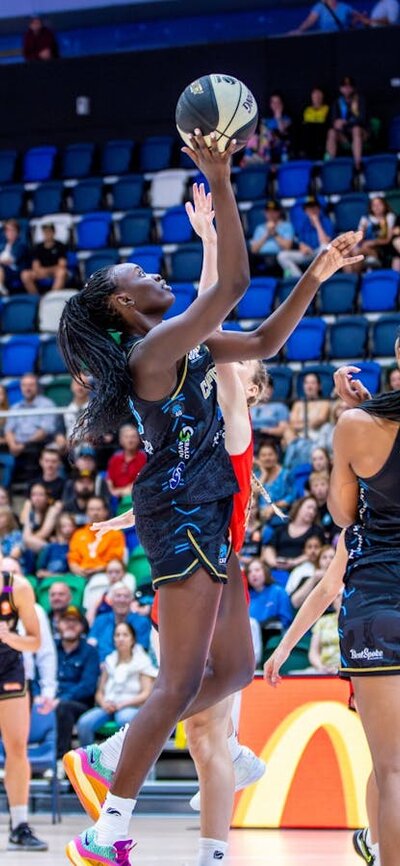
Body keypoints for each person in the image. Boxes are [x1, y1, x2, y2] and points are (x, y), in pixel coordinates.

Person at [57, 129, 363, 864]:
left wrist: (315, 278)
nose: (156, 275)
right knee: (183, 679)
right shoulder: (149, 352)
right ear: (125, 304)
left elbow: (258, 340)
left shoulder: (177, 340)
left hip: (210, 501)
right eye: (143, 273)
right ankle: (108, 829)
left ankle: (111, 756)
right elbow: (223, 290)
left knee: (231, 671)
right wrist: (222, 179)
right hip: (181, 510)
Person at [265, 351, 400, 866]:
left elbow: (344, 515)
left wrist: (360, 425)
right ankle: (373, 841)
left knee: (390, 769)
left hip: (377, 603)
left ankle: (375, 844)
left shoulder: (357, 428)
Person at [0, 569, 47, 850]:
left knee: (17, 747)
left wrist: (8, 637)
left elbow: (35, 641)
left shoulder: (17, 587)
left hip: (8, 667)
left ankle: (19, 825)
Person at [77, 623, 157, 747]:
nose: (121, 638)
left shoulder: (142, 661)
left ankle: (128, 763)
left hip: (131, 706)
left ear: (133, 639)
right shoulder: (109, 660)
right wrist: (104, 703)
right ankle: (89, 762)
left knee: (125, 720)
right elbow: (100, 692)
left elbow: (146, 694)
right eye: (117, 635)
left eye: (125, 635)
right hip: (108, 705)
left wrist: (122, 704)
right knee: (84, 723)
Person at [47, 605, 100, 758]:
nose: (70, 624)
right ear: (58, 625)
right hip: (49, 699)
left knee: (64, 708)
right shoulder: (50, 649)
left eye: (75, 621)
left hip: (79, 704)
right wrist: (39, 695)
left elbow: (88, 686)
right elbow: (38, 676)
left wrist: (60, 699)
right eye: (66, 620)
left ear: (82, 626)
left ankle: (59, 760)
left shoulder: (90, 652)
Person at [4, 374, 57, 486]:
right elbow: (8, 430)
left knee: (33, 449)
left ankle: (31, 489)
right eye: (24, 385)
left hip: (36, 444)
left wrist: (23, 445)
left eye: (31, 385)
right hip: (16, 446)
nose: (27, 388)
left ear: (37, 387)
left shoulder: (47, 404)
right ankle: (4, 492)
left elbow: (44, 431)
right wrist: (13, 445)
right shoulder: (15, 407)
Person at [263, 495, 325, 578]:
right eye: (309, 507)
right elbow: (269, 548)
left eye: (314, 510)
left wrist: (294, 562)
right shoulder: (282, 528)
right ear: (299, 507)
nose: (312, 512)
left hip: (302, 570)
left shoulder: (317, 531)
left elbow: (319, 551)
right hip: (277, 568)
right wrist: (274, 562)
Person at [88, 582, 151, 661]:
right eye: (118, 596)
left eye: (126, 596)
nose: (122, 600)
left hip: (130, 667)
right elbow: (90, 646)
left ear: (131, 601)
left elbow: (142, 651)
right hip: (100, 666)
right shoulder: (100, 620)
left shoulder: (142, 622)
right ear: (111, 600)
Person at [68, 496, 125, 578]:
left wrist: (98, 569)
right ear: (86, 512)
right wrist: (77, 569)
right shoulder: (78, 534)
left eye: (98, 509)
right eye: (91, 509)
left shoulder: (115, 533)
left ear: (106, 512)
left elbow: (115, 558)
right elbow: (73, 557)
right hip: (80, 574)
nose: (95, 513)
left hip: (106, 574)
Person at [278, 197, 334, 277]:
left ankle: (317, 279)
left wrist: (317, 223)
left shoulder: (326, 222)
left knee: (324, 248)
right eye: (309, 208)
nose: (312, 210)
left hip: (319, 254)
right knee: (282, 256)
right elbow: (301, 243)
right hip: (308, 254)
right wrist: (303, 247)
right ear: (305, 211)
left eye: (314, 207)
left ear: (319, 209)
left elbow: (325, 242)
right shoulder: (304, 224)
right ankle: (299, 279)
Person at [326, 76, 368, 171]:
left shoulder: (360, 100)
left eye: (349, 87)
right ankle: (330, 165)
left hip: (361, 133)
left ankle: (358, 166)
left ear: (353, 88)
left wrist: (346, 122)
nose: (347, 89)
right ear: (341, 89)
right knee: (331, 132)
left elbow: (362, 119)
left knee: (356, 129)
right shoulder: (337, 102)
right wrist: (336, 123)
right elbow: (333, 120)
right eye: (344, 87)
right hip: (344, 135)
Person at [106, 425, 146, 514]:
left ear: (139, 439)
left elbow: (143, 481)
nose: (130, 440)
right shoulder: (115, 459)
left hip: (136, 497)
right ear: (121, 440)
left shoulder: (144, 458)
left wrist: (128, 490)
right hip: (117, 497)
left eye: (133, 437)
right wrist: (115, 492)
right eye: (126, 437)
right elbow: (109, 481)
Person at [247, 558, 293, 635]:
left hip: (273, 635)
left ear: (265, 572)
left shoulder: (279, 591)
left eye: (257, 570)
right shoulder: (246, 595)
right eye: (249, 572)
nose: (253, 574)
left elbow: (285, 620)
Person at [84, 558, 136, 626]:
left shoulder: (128, 591)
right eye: (110, 572)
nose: (113, 576)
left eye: (117, 572)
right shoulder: (102, 593)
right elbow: (90, 614)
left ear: (124, 573)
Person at [249, 200, 294, 276]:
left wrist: (274, 233)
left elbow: (287, 247)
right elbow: (254, 250)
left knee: (274, 261)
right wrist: (266, 234)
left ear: (279, 212)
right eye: (268, 211)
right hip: (260, 258)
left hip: (278, 259)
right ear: (265, 213)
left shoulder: (287, 226)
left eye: (274, 211)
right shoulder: (259, 228)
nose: (271, 214)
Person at [21, 224, 67, 294]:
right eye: (45, 232)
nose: (47, 234)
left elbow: (62, 265)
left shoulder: (60, 246)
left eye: (49, 231)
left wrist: (47, 271)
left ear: (54, 232)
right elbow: (35, 266)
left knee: (62, 272)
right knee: (25, 274)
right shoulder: (38, 247)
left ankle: (52, 296)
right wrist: (42, 271)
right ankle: (36, 298)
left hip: (54, 272)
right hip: (41, 273)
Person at [288, 371, 331, 442]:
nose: (309, 386)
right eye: (306, 383)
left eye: (313, 383)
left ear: (319, 386)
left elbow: (319, 421)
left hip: (317, 437)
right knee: (288, 431)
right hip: (298, 437)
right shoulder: (298, 403)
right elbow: (292, 423)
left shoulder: (325, 402)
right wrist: (309, 423)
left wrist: (300, 423)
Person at [250, 372, 290, 445]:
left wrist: (266, 431)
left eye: (267, 387)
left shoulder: (280, 407)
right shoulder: (249, 407)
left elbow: (283, 429)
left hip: (270, 439)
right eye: (261, 387)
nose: (264, 390)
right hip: (251, 440)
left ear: (272, 390)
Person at [356, 196, 396, 270]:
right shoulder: (365, 219)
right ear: (371, 208)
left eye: (379, 204)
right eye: (374, 205)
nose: (377, 207)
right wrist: (363, 230)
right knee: (349, 253)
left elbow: (387, 240)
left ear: (384, 205)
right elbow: (359, 240)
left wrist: (373, 242)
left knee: (360, 251)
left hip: (381, 249)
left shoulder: (389, 217)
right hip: (364, 246)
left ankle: (355, 277)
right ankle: (351, 277)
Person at [285, 533, 324, 605]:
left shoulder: (327, 568)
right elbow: (291, 597)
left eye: (316, 547)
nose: (313, 551)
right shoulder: (298, 571)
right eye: (309, 547)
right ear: (304, 551)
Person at [36, 511, 76, 579]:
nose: (68, 529)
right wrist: (52, 575)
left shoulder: (75, 547)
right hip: (49, 579)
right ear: (59, 529)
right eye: (64, 526)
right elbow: (40, 572)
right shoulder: (50, 548)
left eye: (70, 525)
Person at [293, 1, 363, 34]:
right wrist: (300, 30)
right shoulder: (319, 7)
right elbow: (310, 21)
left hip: (341, 39)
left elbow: (359, 17)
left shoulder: (344, 7)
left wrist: (352, 25)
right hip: (325, 39)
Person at [0, 220, 29, 296]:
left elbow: (10, 260)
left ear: (17, 232)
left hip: (15, 271)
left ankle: (1, 288)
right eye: (7, 230)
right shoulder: (3, 246)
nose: (9, 232)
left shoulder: (21, 245)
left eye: (12, 230)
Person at [300, 86, 330, 159]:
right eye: (315, 96)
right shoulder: (307, 110)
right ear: (312, 97)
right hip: (309, 135)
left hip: (321, 133)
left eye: (319, 96)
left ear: (322, 97)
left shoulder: (327, 109)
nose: (317, 98)